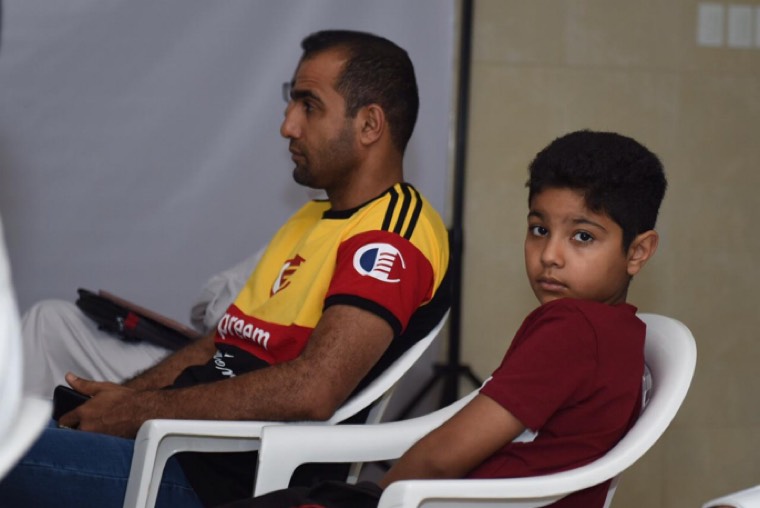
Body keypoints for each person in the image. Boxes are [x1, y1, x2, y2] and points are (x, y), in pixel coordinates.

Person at [1, 29, 450, 508]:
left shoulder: (393, 234)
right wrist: (119, 401)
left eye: (309, 105)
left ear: (370, 124)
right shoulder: (311, 218)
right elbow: (222, 343)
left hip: (214, 479)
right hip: (170, 447)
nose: (288, 126)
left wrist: (135, 413)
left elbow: (315, 388)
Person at [226, 129, 668, 508]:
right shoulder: (619, 331)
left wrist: (379, 498)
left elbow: (445, 455)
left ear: (638, 251)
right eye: (539, 229)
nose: (550, 255)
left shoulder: (573, 328)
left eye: (583, 236)